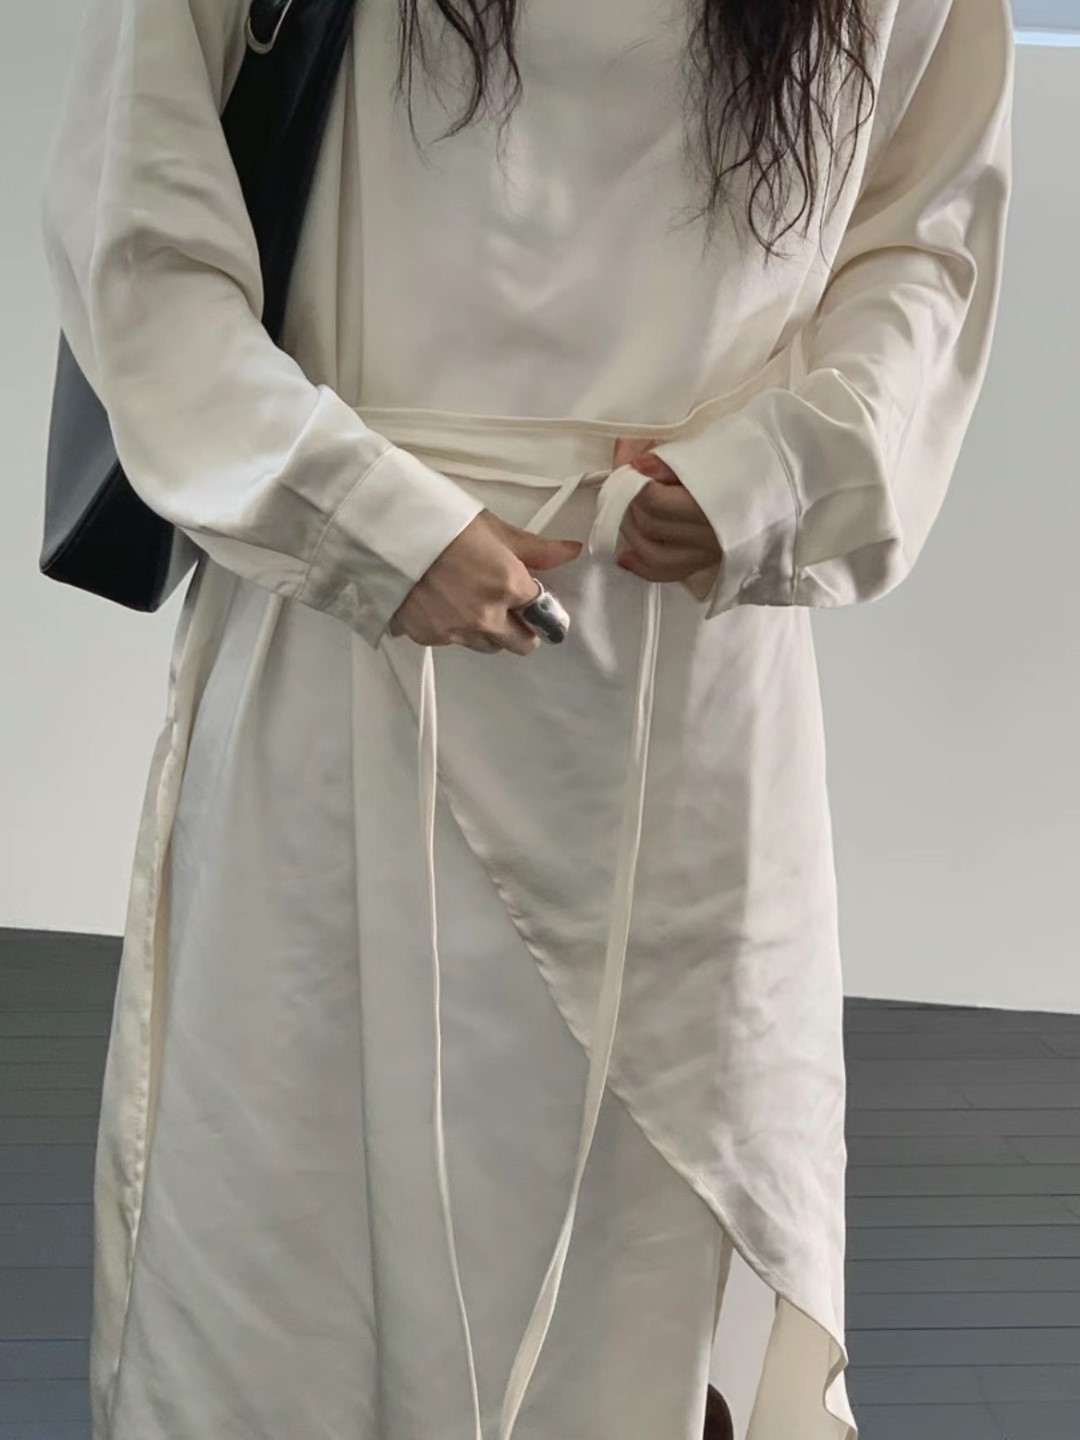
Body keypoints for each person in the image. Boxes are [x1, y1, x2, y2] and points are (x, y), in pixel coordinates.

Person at [38, 0, 1013, 1436]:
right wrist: (363, 516)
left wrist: (781, 474)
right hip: (345, 668)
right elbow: (140, 232)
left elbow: (922, 232)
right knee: (292, 1238)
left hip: (681, 697)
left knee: (638, 1279)